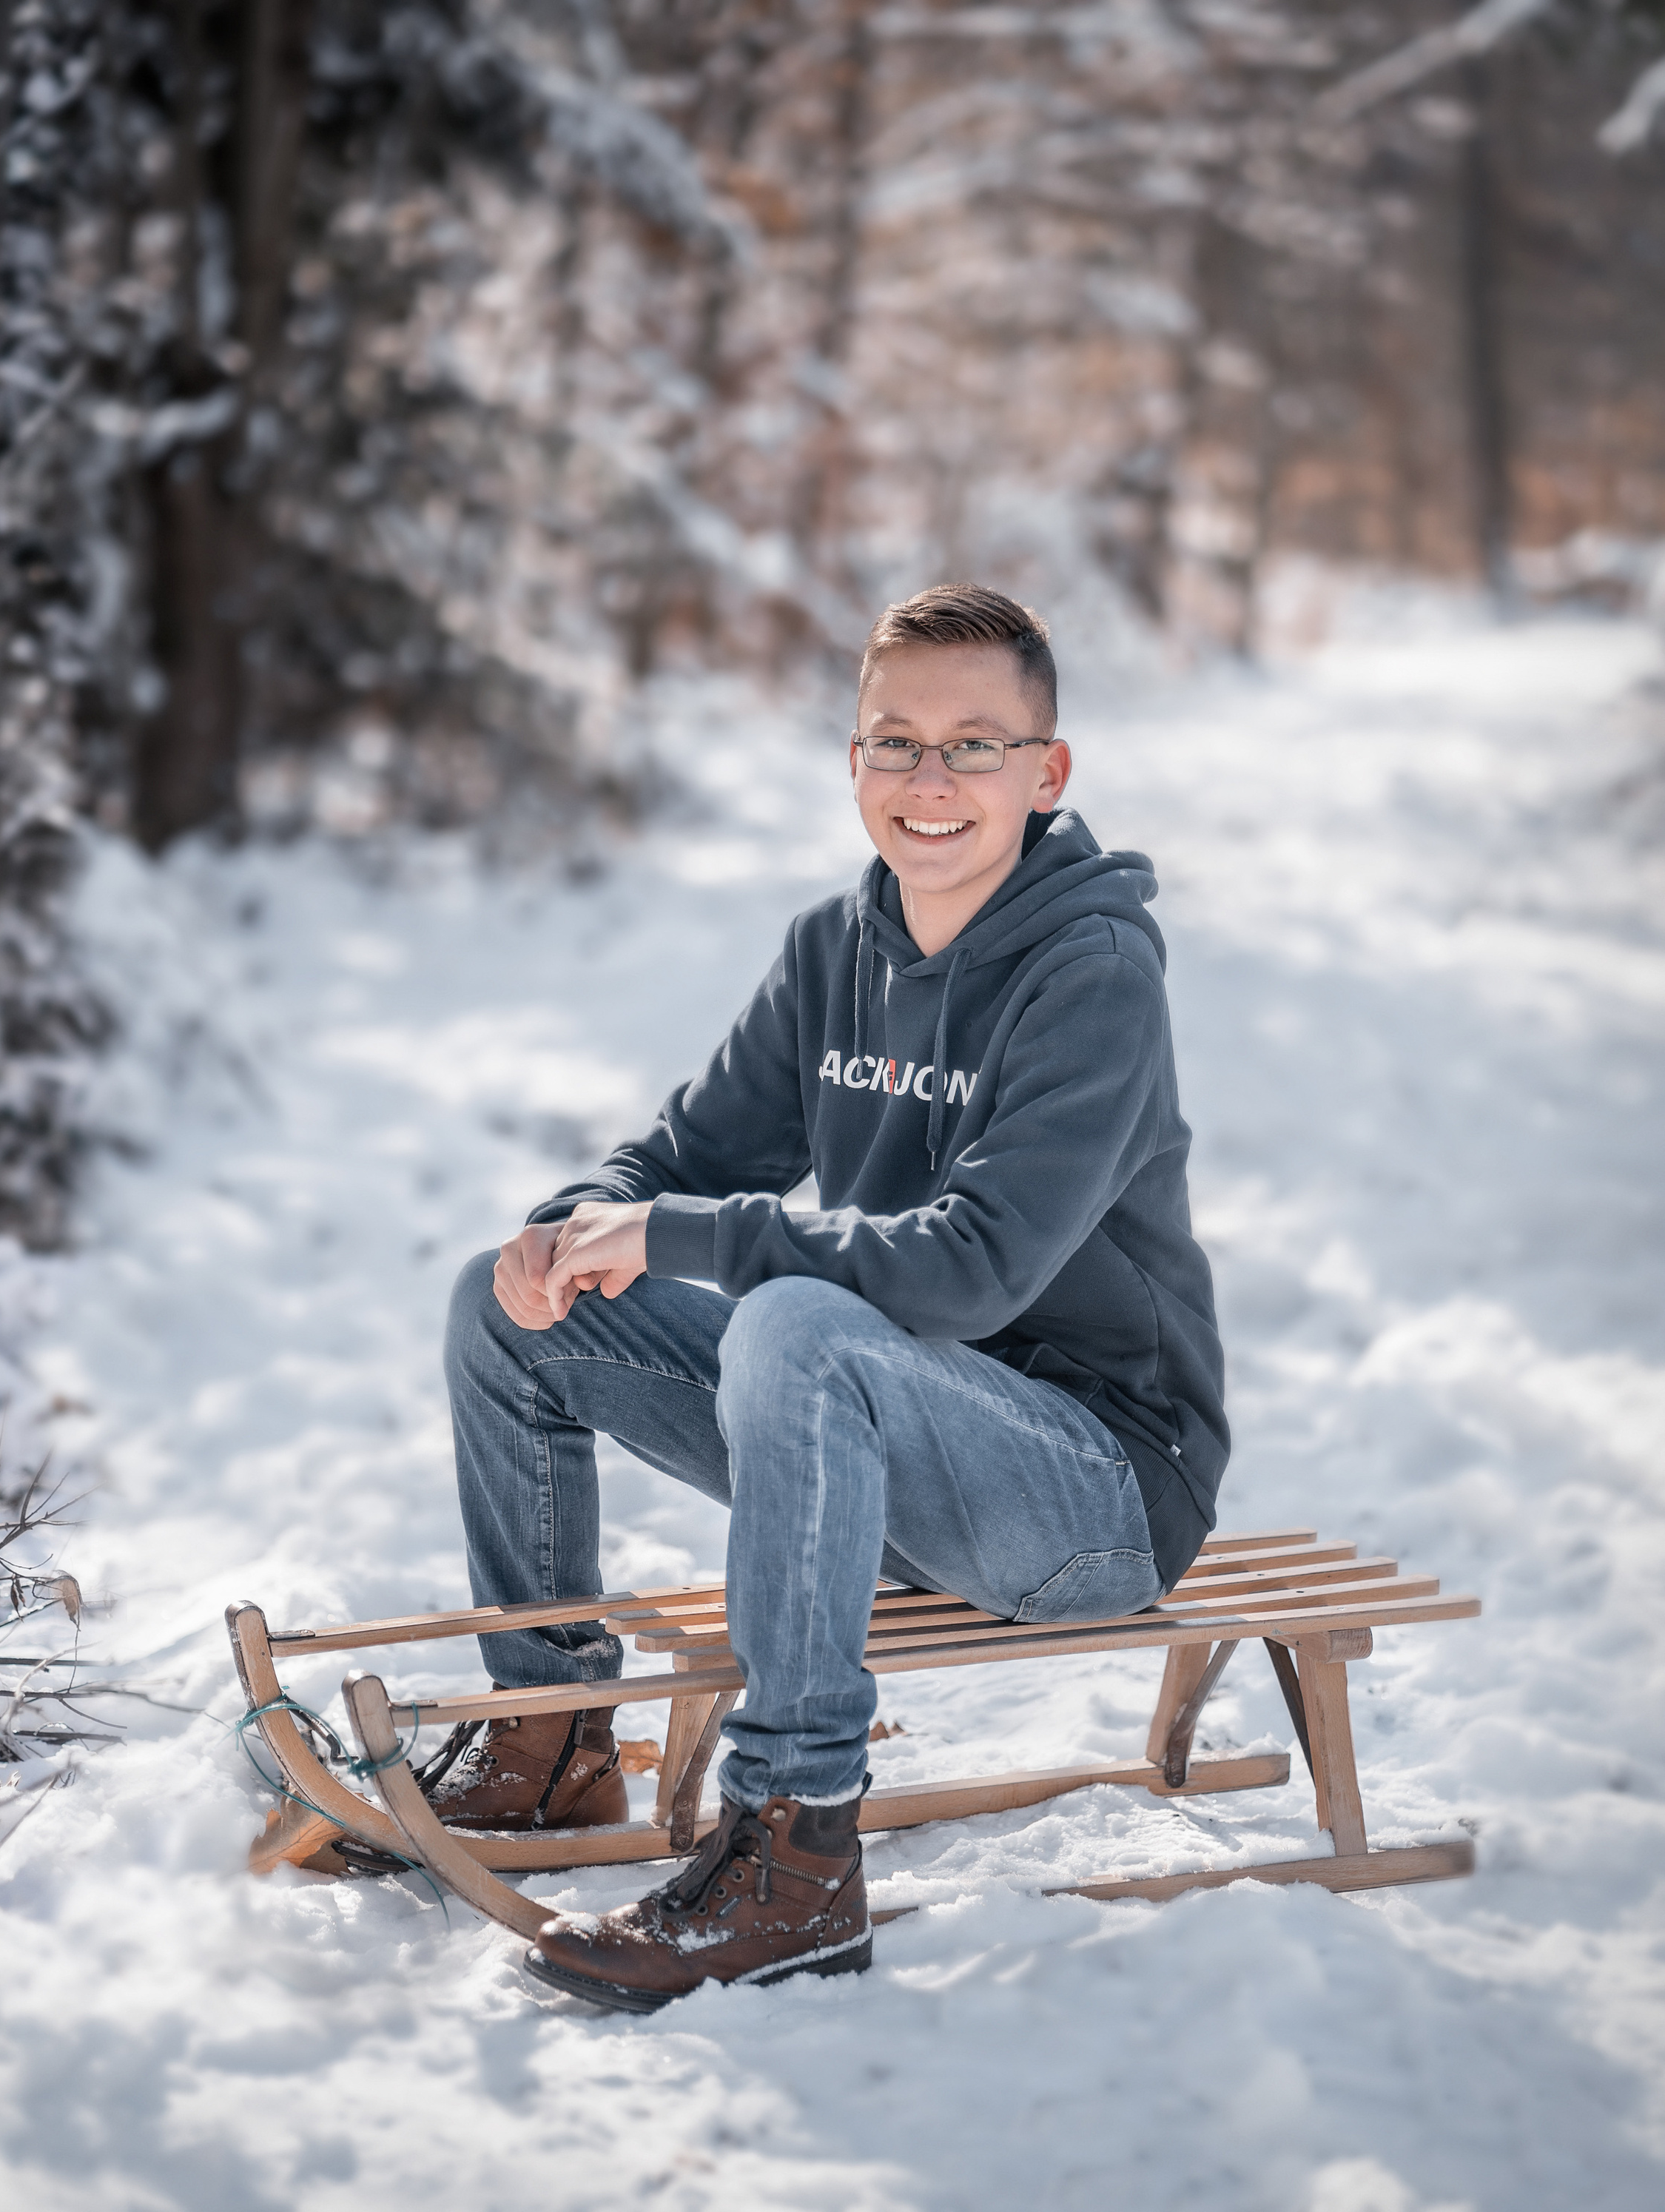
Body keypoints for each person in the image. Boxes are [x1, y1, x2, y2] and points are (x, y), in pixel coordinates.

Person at [433, 582, 1227, 2011]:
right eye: (894, 741)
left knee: (797, 1321)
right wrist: (567, 1228)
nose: (931, 781)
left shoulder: (1093, 972)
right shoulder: (836, 948)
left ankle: (795, 1854)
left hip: (1097, 1488)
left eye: (976, 745)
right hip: (883, 1440)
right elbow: (683, 1154)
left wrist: (683, 1231)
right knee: (509, 1306)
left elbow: (973, 1268)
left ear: (1046, 772)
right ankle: (547, 1735)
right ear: (852, 760)